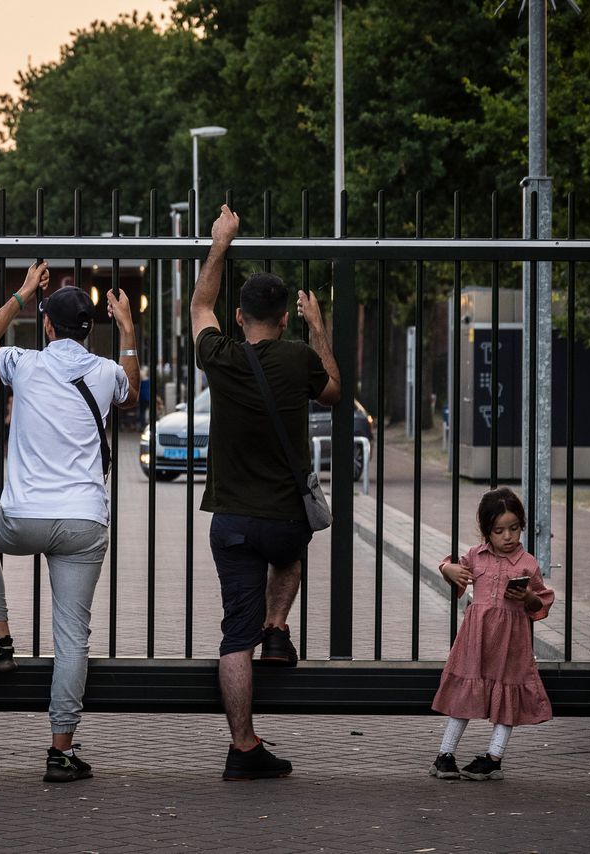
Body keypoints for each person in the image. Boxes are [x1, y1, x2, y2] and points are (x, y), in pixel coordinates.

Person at [0, 267, 139, 783]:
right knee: (72, 639)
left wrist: (21, 293)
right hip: (84, 522)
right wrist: (127, 328)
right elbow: (131, 392)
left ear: (47, 325)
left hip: (23, 520)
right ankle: (61, 749)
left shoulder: (25, 365)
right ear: (90, 329)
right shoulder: (106, 372)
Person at [191, 205, 341, 781]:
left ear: (239, 316)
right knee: (292, 551)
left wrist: (221, 242)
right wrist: (319, 328)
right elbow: (332, 391)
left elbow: (200, 305)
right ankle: (277, 628)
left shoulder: (222, 355)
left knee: (235, 634)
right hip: (281, 518)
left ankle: (242, 745)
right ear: (283, 318)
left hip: (228, 520)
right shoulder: (298, 356)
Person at [430, 487, 554, 782]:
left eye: (514, 528)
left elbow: (541, 601)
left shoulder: (528, 563)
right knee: (464, 692)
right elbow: (452, 566)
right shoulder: (475, 555)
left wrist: (526, 597)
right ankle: (445, 754)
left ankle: (494, 757)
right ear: (487, 531)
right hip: (477, 638)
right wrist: (447, 569)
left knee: (508, 691)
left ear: (522, 526)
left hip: (511, 642)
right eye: (499, 530)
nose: (508, 536)